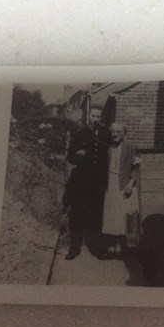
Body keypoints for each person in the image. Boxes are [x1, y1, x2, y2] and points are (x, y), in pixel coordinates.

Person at [63, 107, 110, 260]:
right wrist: (78, 156)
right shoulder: (80, 133)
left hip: (98, 182)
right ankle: (74, 250)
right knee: (77, 215)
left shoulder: (104, 133)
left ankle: (96, 249)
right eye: (93, 116)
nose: (96, 119)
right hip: (82, 182)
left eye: (98, 116)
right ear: (89, 116)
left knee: (96, 216)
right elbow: (70, 156)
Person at [101, 122, 141, 260]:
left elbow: (136, 168)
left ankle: (120, 248)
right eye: (113, 131)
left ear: (124, 133)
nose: (116, 134)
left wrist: (131, 183)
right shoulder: (108, 148)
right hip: (111, 184)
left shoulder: (130, 147)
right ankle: (111, 247)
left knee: (122, 217)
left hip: (125, 185)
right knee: (111, 216)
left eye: (119, 131)